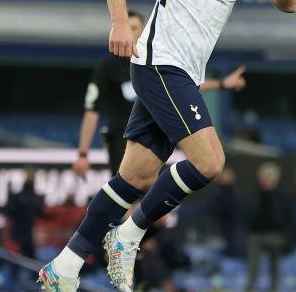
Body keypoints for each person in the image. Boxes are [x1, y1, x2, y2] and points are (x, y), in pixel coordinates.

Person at [38, 0, 296, 292]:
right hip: (160, 61)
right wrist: (120, 22)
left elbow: (289, 2)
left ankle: (63, 266)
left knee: (134, 178)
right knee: (211, 162)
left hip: (186, 72)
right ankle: (130, 235)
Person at [72, 10, 248, 177]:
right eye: (127, 27)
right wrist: (82, 153)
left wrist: (222, 83)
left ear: (144, 30)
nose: (130, 32)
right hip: (122, 139)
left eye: (135, 28)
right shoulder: (108, 67)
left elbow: (179, 89)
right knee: (128, 193)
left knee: (153, 195)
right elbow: (92, 110)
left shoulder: (155, 60)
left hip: (156, 135)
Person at [245, 162, 293, 292]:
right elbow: (247, 213)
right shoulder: (254, 194)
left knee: (275, 265)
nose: (266, 180)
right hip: (255, 234)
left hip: (275, 235)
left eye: (269, 177)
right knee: (253, 265)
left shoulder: (284, 195)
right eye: (264, 177)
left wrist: (285, 236)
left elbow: (289, 217)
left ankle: (274, 289)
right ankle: (249, 290)